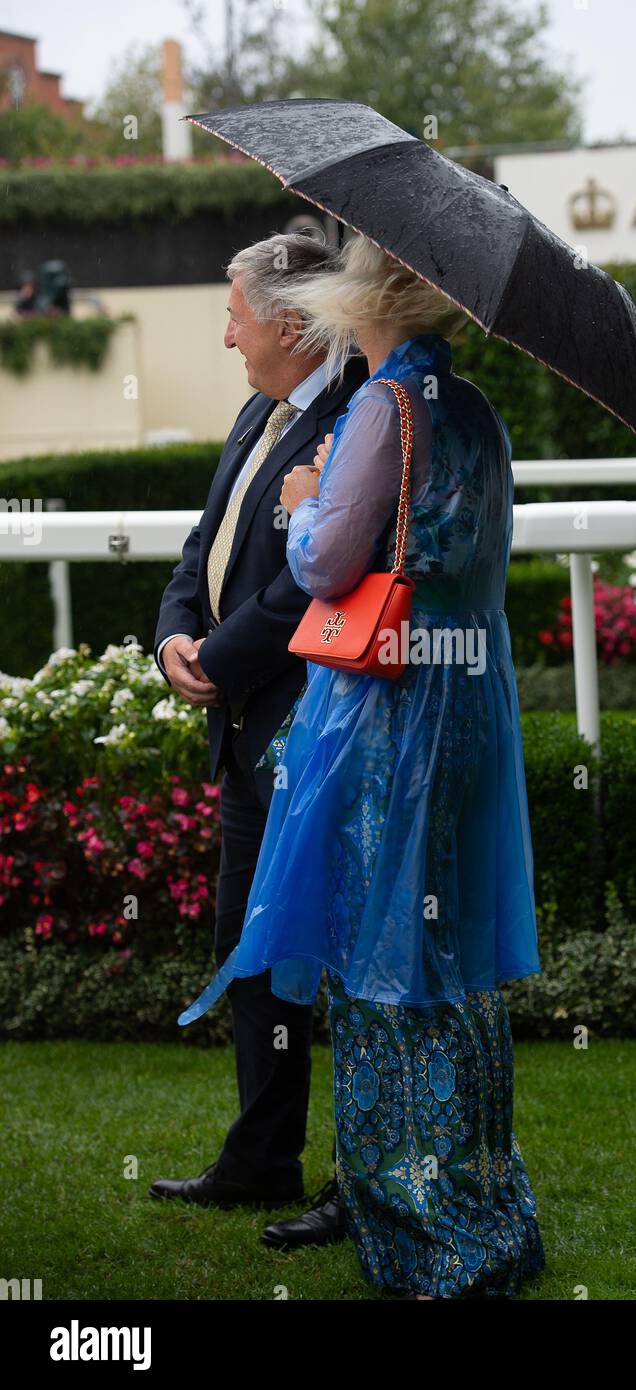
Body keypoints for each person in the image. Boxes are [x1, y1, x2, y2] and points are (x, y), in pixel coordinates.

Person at [179, 232, 545, 1298]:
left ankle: (420, 1227)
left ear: (359, 299)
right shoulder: (471, 406)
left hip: (388, 713)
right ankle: (483, 1208)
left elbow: (326, 562)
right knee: (451, 960)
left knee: (380, 959)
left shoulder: (385, 407)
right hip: (469, 694)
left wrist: (304, 503)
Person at [152, 232, 368, 1212]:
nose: (225, 331)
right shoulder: (259, 406)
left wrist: (220, 658)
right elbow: (204, 545)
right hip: (244, 732)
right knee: (250, 949)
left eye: (234, 312)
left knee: (322, 958)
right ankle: (261, 1159)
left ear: (289, 322)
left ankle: (353, 1176)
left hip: (308, 731)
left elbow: (307, 587)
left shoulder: (361, 411)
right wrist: (173, 640)